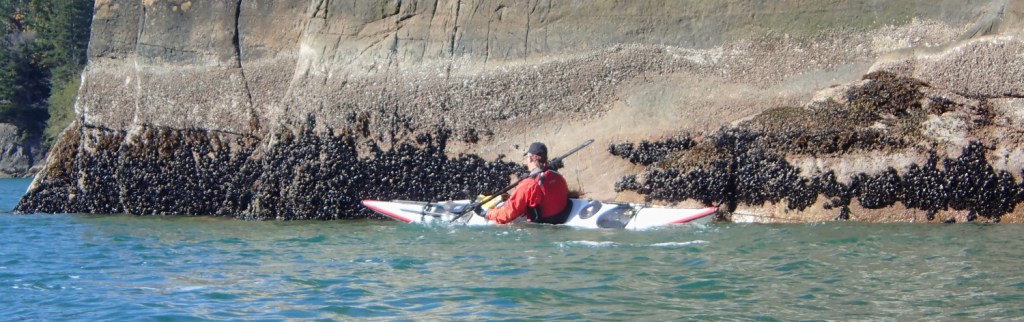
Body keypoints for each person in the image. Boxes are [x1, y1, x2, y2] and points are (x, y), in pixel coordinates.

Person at [484, 142, 571, 224]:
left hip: (544, 223)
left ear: (531, 158)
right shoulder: (557, 176)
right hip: (563, 215)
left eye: (527, 157)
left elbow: (507, 214)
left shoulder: (528, 185)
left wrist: (486, 214)